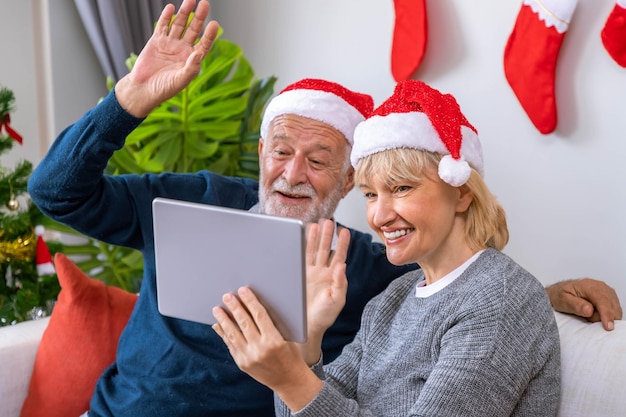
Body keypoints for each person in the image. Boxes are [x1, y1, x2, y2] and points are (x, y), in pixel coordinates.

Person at [26, 0, 619, 415]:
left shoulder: (365, 266)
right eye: (281, 151)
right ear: (261, 152)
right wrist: (128, 100)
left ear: (346, 180)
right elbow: (56, 193)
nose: (291, 174)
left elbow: (456, 294)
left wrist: (544, 295)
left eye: (319, 160)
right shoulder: (192, 199)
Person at [212, 79, 561, 416]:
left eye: (401, 188)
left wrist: (290, 378)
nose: (378, 216)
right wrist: (308, 342)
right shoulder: (394, 298)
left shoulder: (499, 299)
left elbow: (303, 395)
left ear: (462, 193)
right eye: (370, 194)